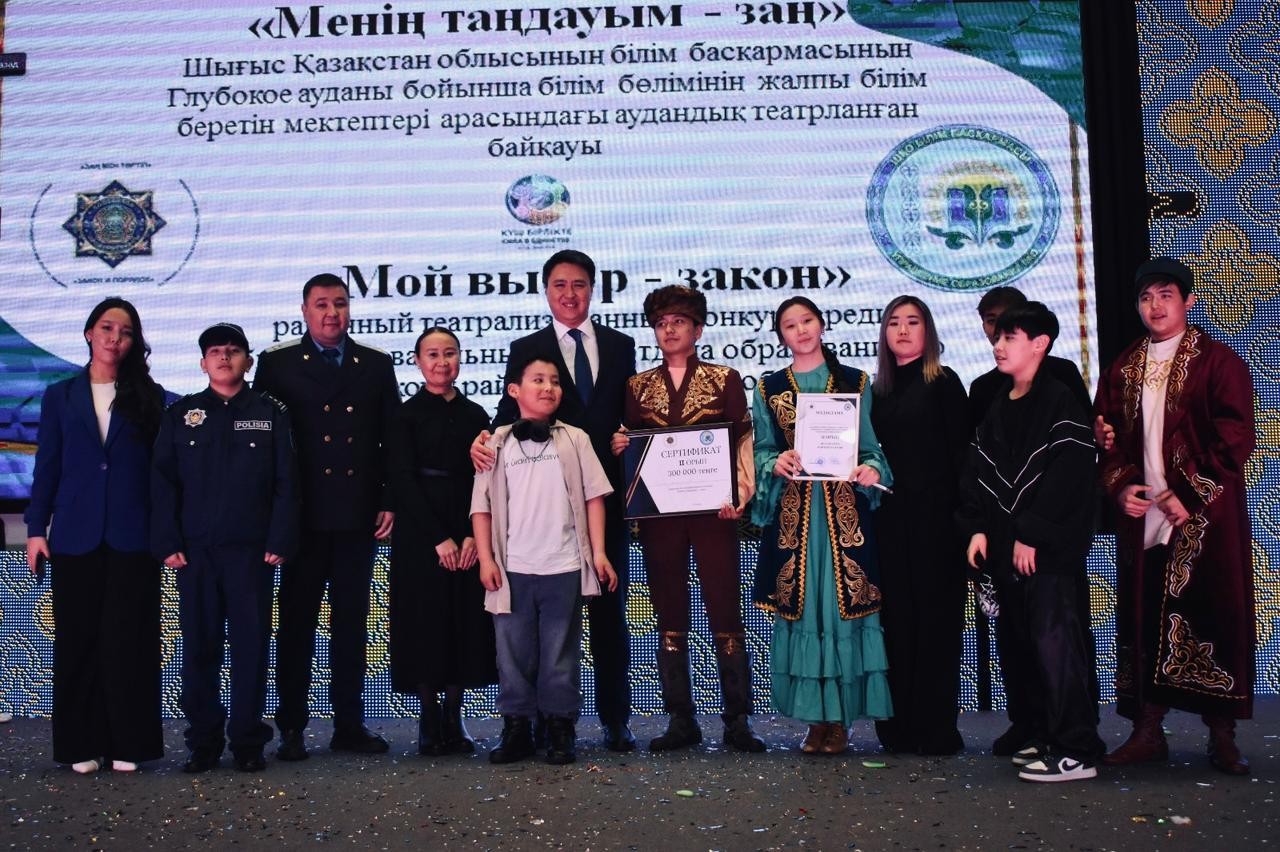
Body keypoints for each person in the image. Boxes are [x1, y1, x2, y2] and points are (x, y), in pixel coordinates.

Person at [1093, 258, 1256, 776]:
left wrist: (1189, 492)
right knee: (1142, 616)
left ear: (1188, 301)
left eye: (1166, 295)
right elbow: (1106, 439)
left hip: (1205, 518)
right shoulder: (1123, 367)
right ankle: (1147, 731)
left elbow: (1236, 437)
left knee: (1213, 613)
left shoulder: (1219, 363)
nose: (1155, 306)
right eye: (1146, 298)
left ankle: (1222, 734)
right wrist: (1122, 487)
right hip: (1145, 517)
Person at [471, 249, 636, 752]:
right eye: (560, 284)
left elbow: (630, 414)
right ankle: (540, 723)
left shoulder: (621, 344)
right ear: (546, 291)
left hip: (603, 503)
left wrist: (630, 437)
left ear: (592, 290)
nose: (570, 293)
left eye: (579, 284)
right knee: (535, 632)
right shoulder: (527, 347)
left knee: (609, 617)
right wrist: (482, 439)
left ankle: (615, 718)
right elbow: (507, 414)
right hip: (538, 513)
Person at [610, 285, 763, 753]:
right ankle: (681, 719)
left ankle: (737, 720)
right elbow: (633, 448)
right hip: (660, 517)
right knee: (669, 610)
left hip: (715, 512)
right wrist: (621, 445)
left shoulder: (724, 379)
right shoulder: (636, 386)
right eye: (661, 323)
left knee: (725, 606)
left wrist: (740, 495)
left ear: (697, 329)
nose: (669, 330)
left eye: (678, 321)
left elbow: (743, 441)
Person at [254, 272, 400, 759]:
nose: (331, 313)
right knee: (296, 625)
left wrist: (389, 498)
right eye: (321, 304)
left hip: (358, 513)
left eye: (339, 303)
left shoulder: (375, 364)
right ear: (304, 311)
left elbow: (391, 440)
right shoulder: (276, 364)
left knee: (351, 625)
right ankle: (291, 726)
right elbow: (265, 445)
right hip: (302, 517)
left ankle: (349, 725)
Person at [958, 302, 1104, 782]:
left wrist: (1032, 533)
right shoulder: (1001, 402)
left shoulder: (1060, 400)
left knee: (1057, 645)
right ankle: (1044, 734)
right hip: (1006, 551)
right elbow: (979, 472)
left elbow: (1069, 478)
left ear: (1040, 344)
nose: (998, 346)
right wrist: (977, 526)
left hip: (1048, 554)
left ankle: (1077, 749)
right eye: (997, 337)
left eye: (1010, 338)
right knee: (1024, 645)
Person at [24, 297, 167, 774]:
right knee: (77, 641)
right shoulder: (60, 396)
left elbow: (161, 473)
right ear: (89, 333)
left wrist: (166, 533)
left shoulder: (150, 396)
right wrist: (35, 529)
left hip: (133, 535)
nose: (115, 338)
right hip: (74, 534)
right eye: (107, 328)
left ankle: (129, 742)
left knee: (130, 641)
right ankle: (79, 745)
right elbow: (47, 467)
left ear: (134, 342)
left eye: (125, 332)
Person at [151, 323, 299, 773]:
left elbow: (287, 480)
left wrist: (280, 537)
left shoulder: (270, 412)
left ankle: (248, 741)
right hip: (195, 554)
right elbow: (162, 482)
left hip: (252, 553)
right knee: (200, 650)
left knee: (251, 650)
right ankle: (203, 742)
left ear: (248, 361)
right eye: (215, 351)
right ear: (202, 363)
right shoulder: (182, 414)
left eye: (233, 351)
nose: (224, 357)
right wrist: (167, 541)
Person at [751, 296, 893, 755]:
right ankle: (816, 722)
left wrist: (871, 469)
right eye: (790, 325)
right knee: (806, 611)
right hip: (797, 522)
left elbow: (871, 449)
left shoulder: (855, 381)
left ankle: (841, 720)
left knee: (841, 612)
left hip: (843, 518)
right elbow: (760, 451)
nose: (801, 330)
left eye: (807, 320)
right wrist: (775, 462)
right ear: (781, 335)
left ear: (822, 323)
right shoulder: (769, 387)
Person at [470, 355, 619, 766]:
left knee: (560, 654)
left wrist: (599, 552)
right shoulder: (495, 442)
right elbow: (481, 507)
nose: (548, 387)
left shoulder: (576, 438)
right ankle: (517, 726)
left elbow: (593, 497)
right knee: (512, 654)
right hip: (512, 568)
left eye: (554, 381)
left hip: (563, 566)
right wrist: (486, 559)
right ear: (514, 390)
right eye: (538, 380)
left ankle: (559, 726)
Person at [389, 327, 496, 756]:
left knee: (463, 620)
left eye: (449, 353)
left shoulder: (476, 414)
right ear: (417, 361)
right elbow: (401, 479)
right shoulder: (404, 415)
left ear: (460, 359)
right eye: (432, 354)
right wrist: (439, 539)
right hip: (421, 534)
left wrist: (472, 535)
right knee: (425, 621)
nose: (441, 362)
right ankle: (428, 719)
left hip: (468, 525)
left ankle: (455, 715)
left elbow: (488, 477)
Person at [870, 295, 969, 756]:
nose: (903, 330)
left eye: (913, 322)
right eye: (894, 323)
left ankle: (935, 728)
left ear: (928, 331)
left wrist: (965, 522)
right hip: (888, 525)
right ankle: (898, 728)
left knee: (936, 624)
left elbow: (963, 458)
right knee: (896, 623)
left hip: (937, 526)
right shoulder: (875, 392)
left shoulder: (944, 383)